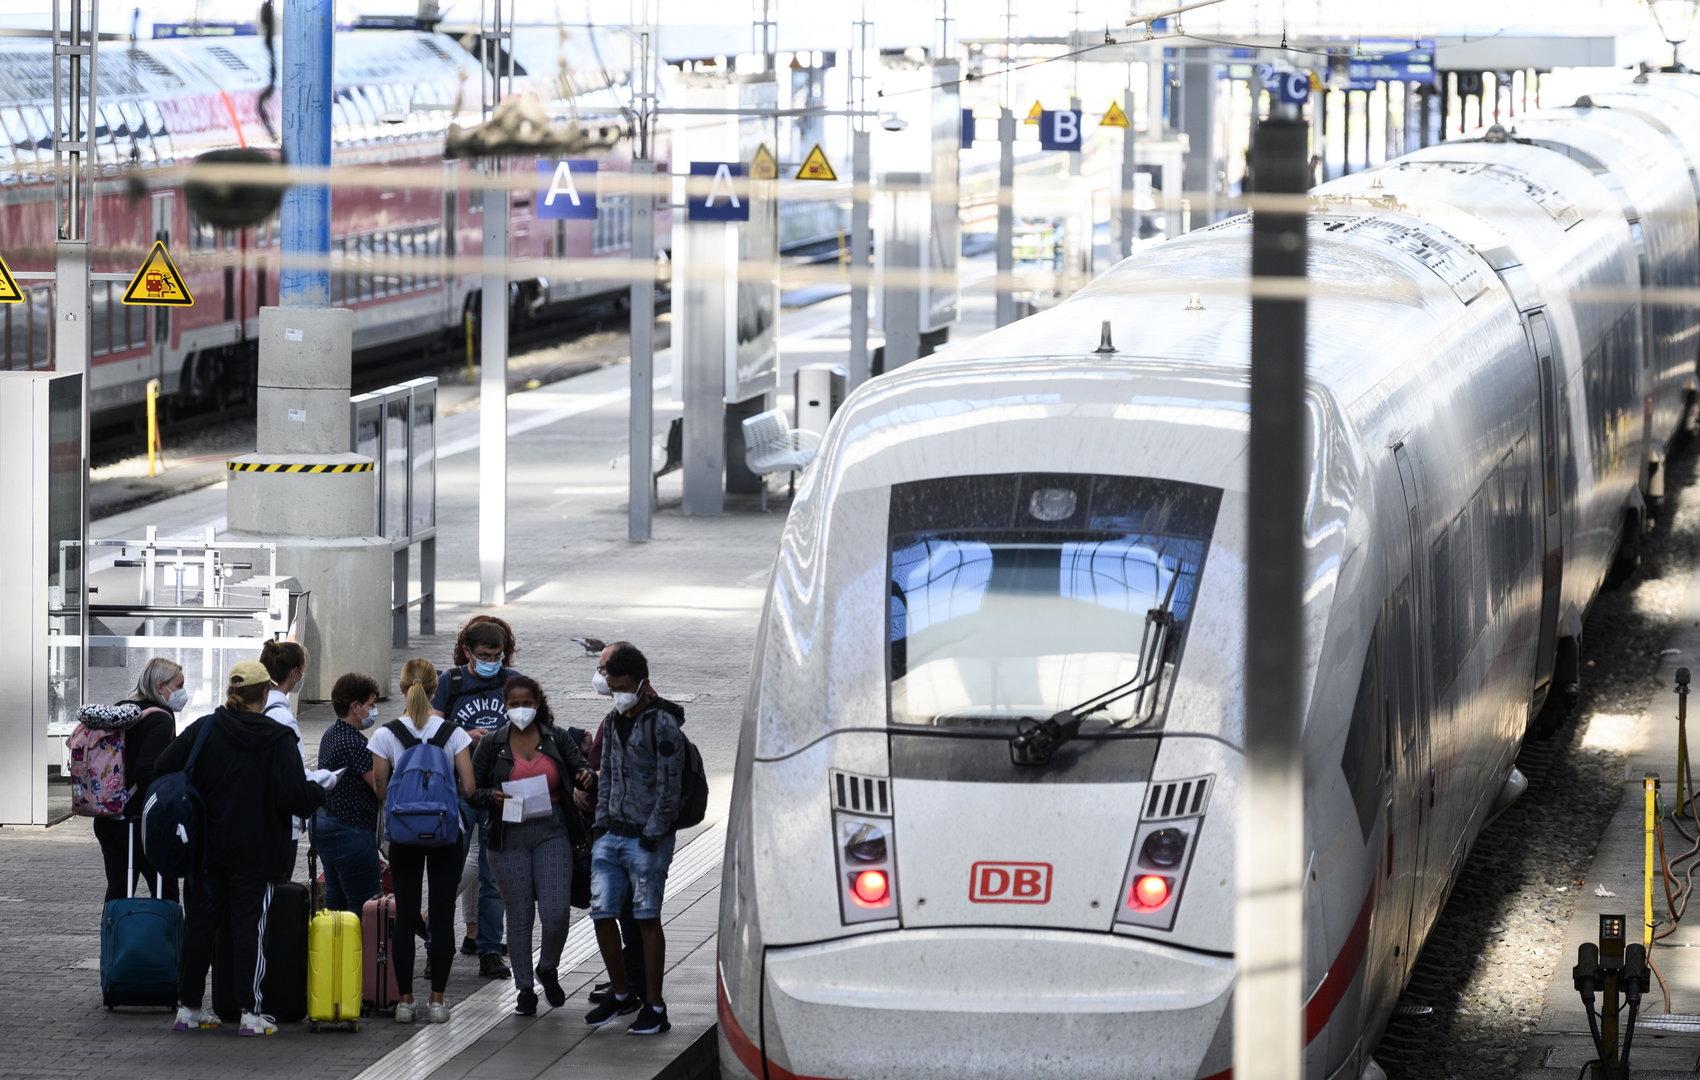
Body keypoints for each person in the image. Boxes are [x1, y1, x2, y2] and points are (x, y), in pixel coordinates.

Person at [161, 660, 335, 1037]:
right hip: (258, 853)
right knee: (250, 929)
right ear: (264, 693)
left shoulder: (205, 729)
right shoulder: (277, 738)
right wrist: (321, 790)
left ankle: (188, 1008)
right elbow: (294, 796)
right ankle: (251, 1013)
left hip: (206, 850)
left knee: (200, 928)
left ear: (231, 691)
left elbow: (165, 766)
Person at [470, 676, 595, 1015]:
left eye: (527, 703)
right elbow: (470, 789)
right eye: (514, 704)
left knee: (555, 911)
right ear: (505, 705)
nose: (521, 710)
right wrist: (491, 796)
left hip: (552, 830)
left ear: (538, 704)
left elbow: (582, 768)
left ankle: (548, 966)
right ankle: (524, 988)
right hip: (508, 835)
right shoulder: (493, 744)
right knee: (520, 913)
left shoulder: (555, 739)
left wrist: (586, 776)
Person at [584, 643, 685, 1036]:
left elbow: (669, 785)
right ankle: (623, 992)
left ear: (641, 683)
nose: (616, 691)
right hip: (611, 834)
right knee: (602, 913)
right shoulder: (612, 721)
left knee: (646, 918)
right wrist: (602, 825)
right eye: (613, 684)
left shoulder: (662, 724)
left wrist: (653, 833)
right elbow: (607, 773)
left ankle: (655, 1005)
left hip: (647, 840)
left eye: (623, 685)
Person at [371, 657, 476, 1024]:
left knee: (406, 914)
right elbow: (469, 786)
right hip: (446, 834)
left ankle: (404, 1001)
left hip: (404, 836)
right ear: (435, 689)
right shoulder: (453, 733)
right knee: (443, 915)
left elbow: (381, 788)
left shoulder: (386, 734)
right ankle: (437, 1001)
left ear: (402, 688)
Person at [433, 616, 518, 980]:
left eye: (497, 655)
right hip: (459, 792)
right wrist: (465, 734)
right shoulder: (450, 681)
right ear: (468, 651)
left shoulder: (513, 682)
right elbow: (431, 731)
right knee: (448, 871)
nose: (492, 661)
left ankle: (489, 950)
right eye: (485, 654)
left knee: (495, 876)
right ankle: (437, 947)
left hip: (503, 792)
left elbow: (534, 730)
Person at [92, 657, 186, 903]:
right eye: (178, 686)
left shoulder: (123, 709)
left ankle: (115, 940)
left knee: (119, 892)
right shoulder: (161, 718)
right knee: (165, 892)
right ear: (160, 688)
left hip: (109, 817)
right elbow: (148, 770)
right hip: (138, 822)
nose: (182, 692)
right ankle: (166, 940)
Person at [313, 672, 384, 913]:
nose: (373, 711)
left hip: (326, 825)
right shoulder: (355, 742)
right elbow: (378, 785)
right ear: (355, 707)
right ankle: (364, 951)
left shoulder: (331, 734)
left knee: (336, 901)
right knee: (365, 906)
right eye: (370, 705)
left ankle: (335, 950)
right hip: (350, 829)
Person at [257, 640, 311, 869]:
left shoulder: (259, 707)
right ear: (295, 673)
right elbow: (295, 773)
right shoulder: (284, 719)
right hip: (280, 823)